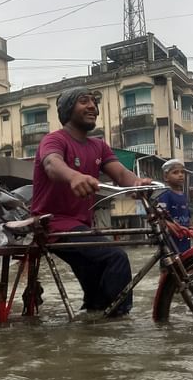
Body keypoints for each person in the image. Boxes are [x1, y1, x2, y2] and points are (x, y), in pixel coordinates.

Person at [30, 86, 150, 316]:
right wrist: (74, 176)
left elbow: (122, 175)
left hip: (82, 227)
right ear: (67, 109)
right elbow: (51, 164)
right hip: (54, 224)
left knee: (96, 293)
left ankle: (97, 331)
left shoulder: (99, 146)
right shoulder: (54, 140)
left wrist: (139, 184)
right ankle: (119, 323)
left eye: (94, 102)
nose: (92, 106)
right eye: (84, 101)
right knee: (116, 257)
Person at [157, 159, 192, 252]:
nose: (180, 175)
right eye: (175, 172)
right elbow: (160, 218)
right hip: (171, 241)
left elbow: (188, 217)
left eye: (182, 172)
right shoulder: (165, 195)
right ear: (166, 177)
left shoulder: (184, 195)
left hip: (185, 239)